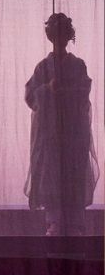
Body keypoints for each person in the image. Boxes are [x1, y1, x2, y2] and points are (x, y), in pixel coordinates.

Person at [25, 13, 98, 235]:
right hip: (50, 134)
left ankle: (74, 224)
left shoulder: (78, 65)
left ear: (68, 36)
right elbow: (30, 97)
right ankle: (54, 223)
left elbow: (84, 92)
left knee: (73, 175)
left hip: (73, 133)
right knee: (51, 177)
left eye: (63, 33)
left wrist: (63, 90)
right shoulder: (42, 67)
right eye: (56, 34)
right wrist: (48, 89)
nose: (60, 38)